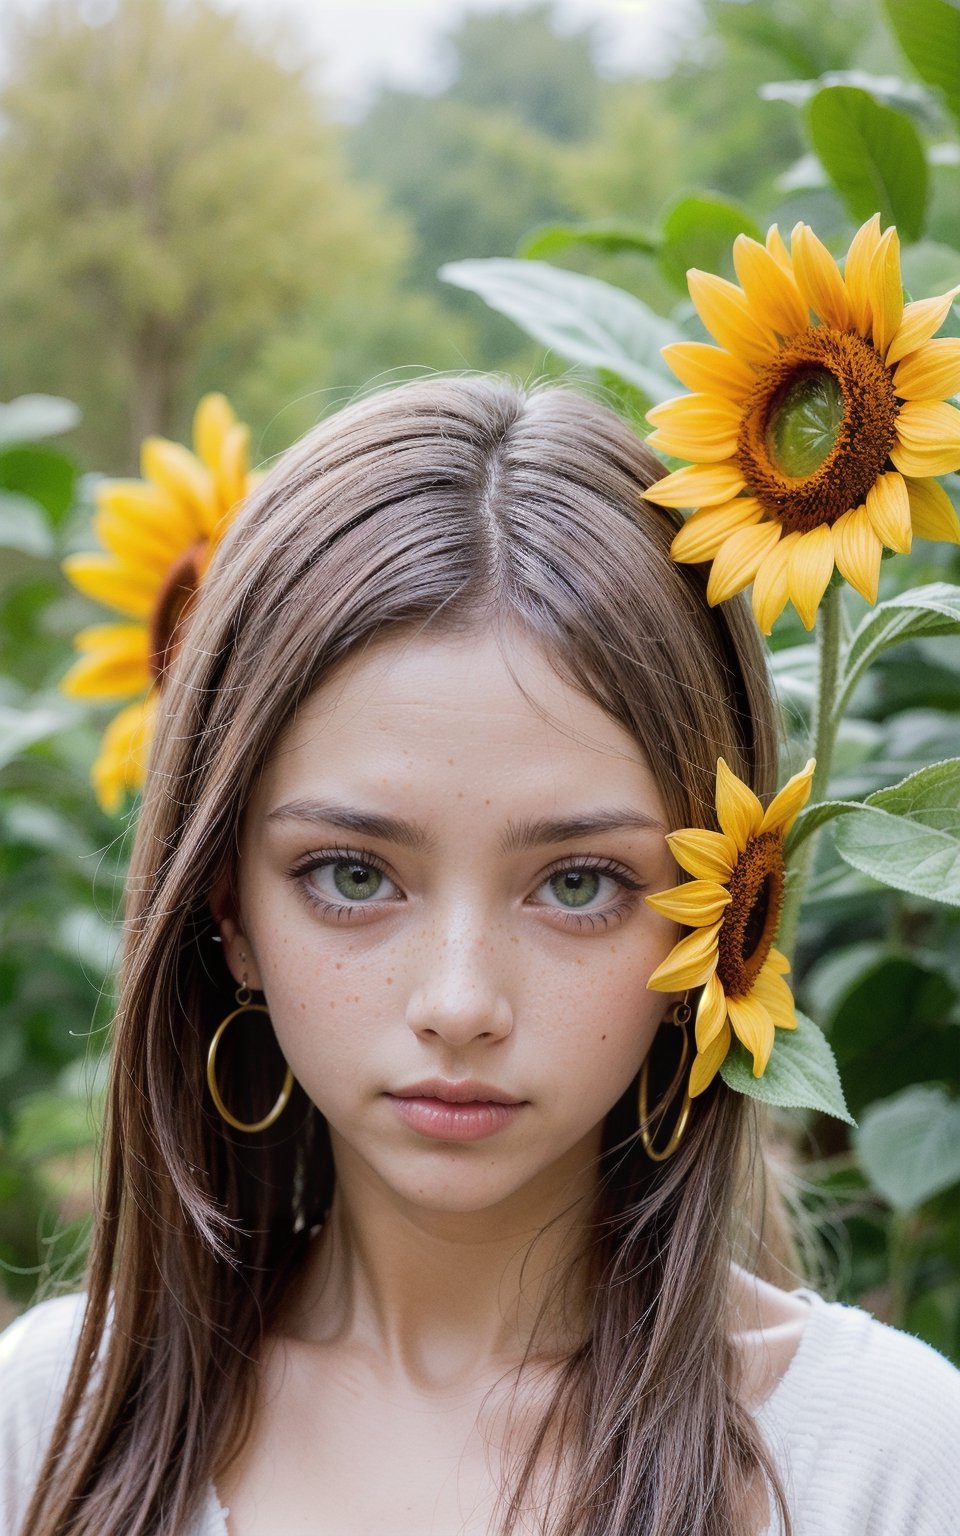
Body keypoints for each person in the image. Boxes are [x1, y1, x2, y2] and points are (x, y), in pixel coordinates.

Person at [1, 376, 958, 1536]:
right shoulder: (48, 1424)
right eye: (353, 875)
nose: (460, 1003)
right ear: (227, 907)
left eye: (578, 885)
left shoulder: (888, 1468)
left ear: (722, 917)